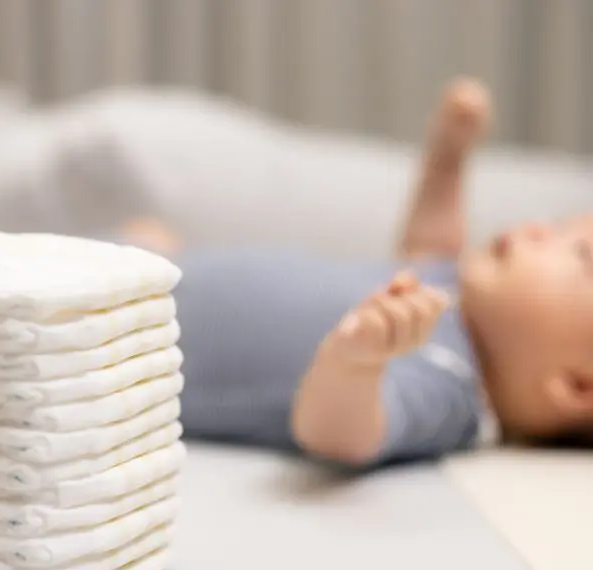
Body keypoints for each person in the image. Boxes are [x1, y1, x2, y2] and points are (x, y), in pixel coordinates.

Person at [128, 79, 593, 467]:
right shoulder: (446, 289)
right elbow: (428, 248)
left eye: (580, 255)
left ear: (576, 386)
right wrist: (448, 158)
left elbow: (341, 435)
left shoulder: (450, 387)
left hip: (127, 355)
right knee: (140, 236)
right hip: (159, 277)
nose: (537, 230)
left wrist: (356, 363)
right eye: (557, 228)